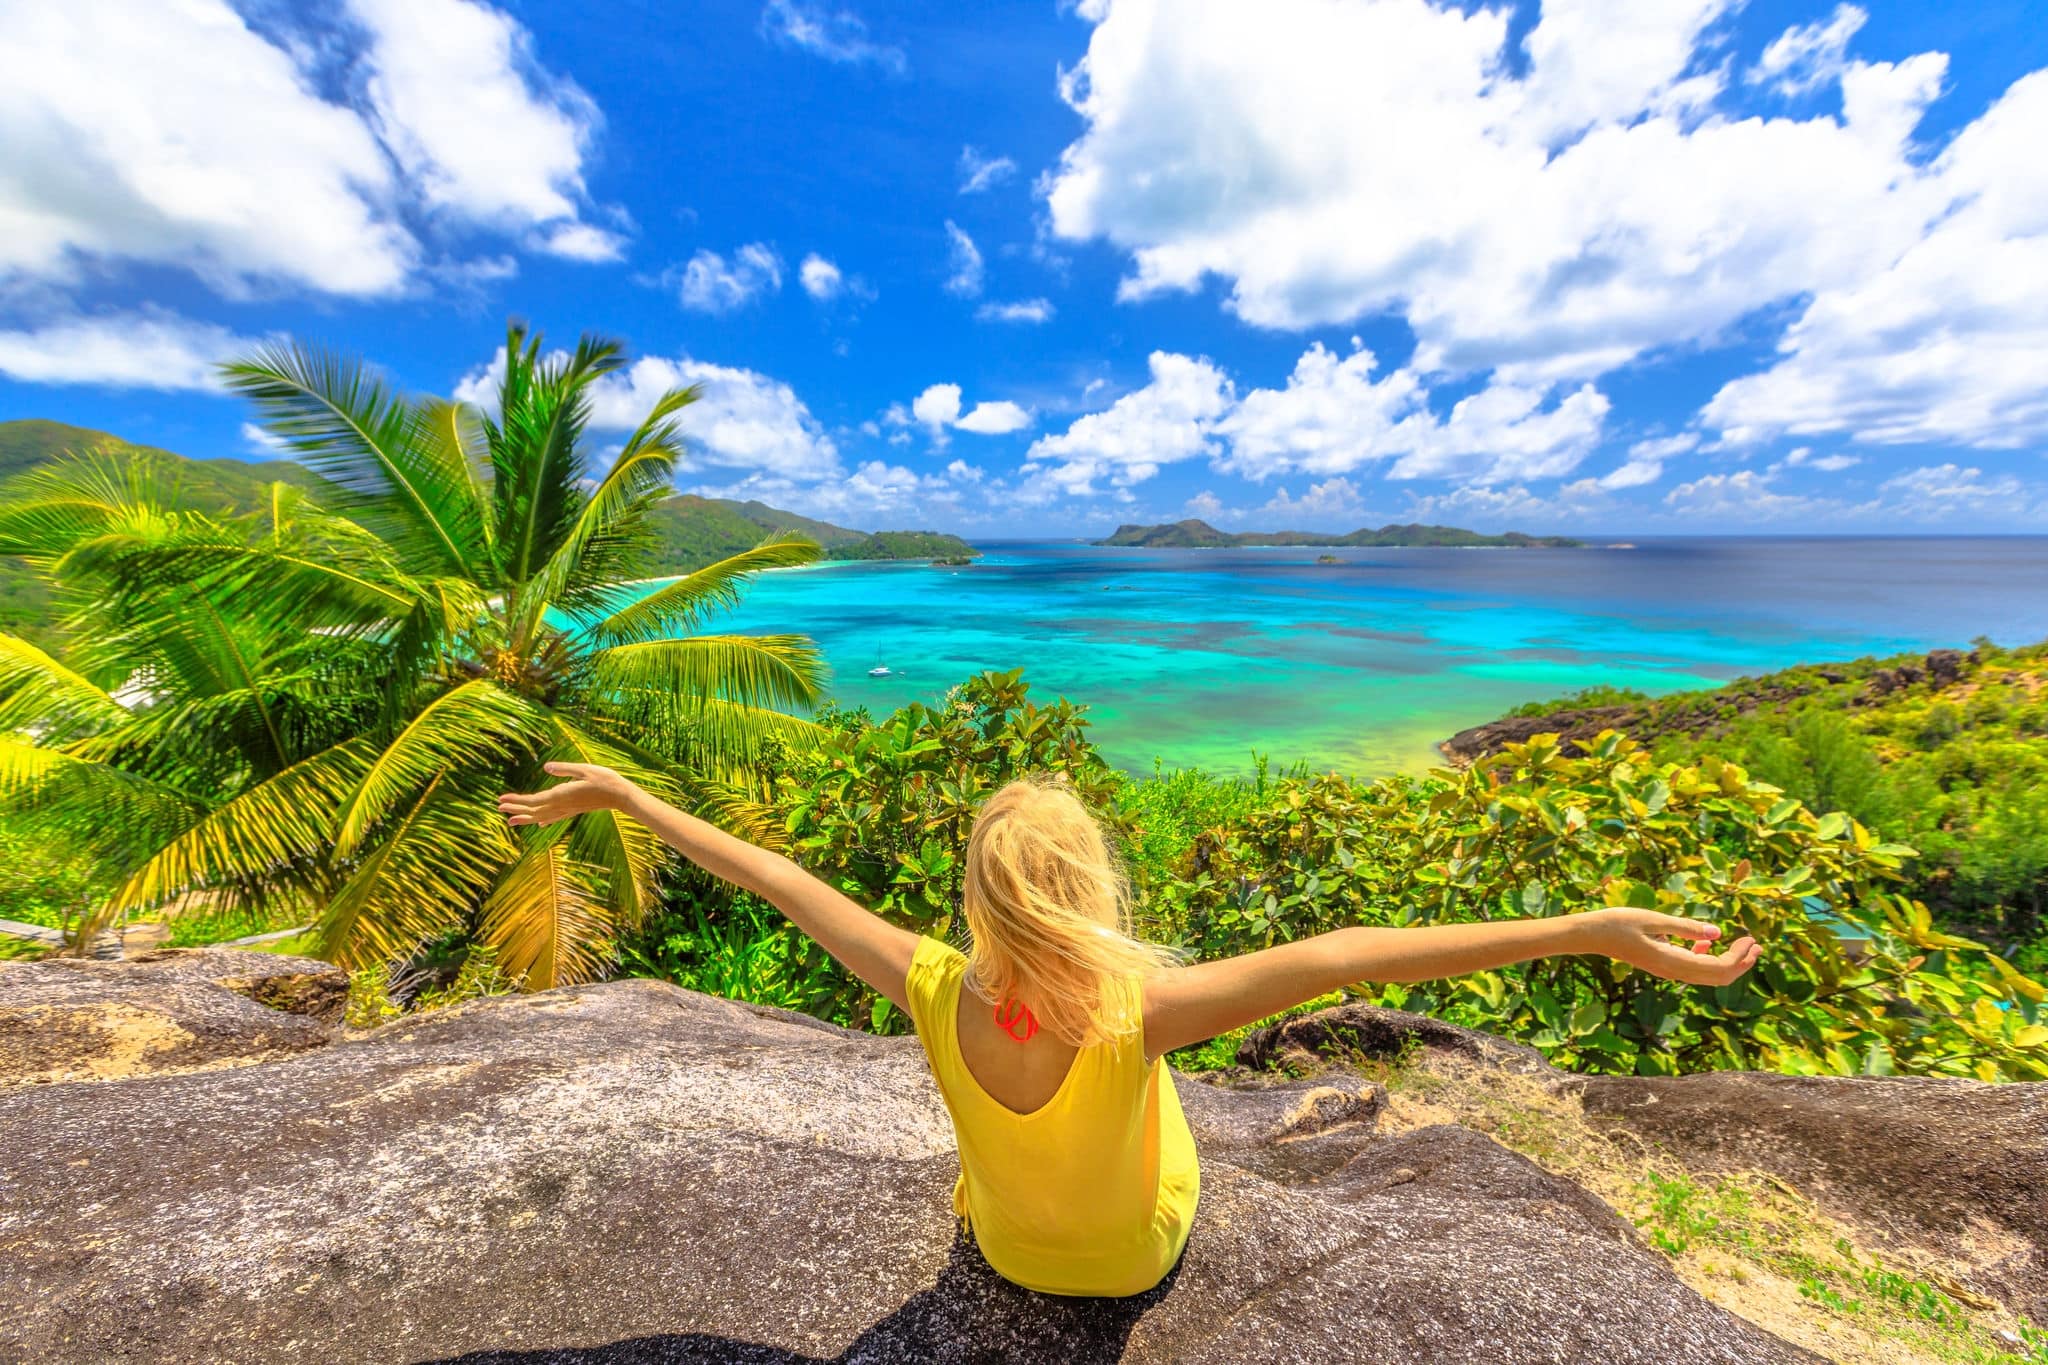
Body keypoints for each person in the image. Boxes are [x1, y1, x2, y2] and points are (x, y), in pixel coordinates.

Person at [498, 764, 1761, 1299]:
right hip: (1136, 1259)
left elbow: (772, 873)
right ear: (1089, 891)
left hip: (1005, 1257)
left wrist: (623, 796)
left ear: (977, 898)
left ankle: (998, 1196)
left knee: (999, 1158)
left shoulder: (929, 984)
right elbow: (1345, 960)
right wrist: (1586, 925)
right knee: (1153, 1101)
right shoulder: (1136, 1008)